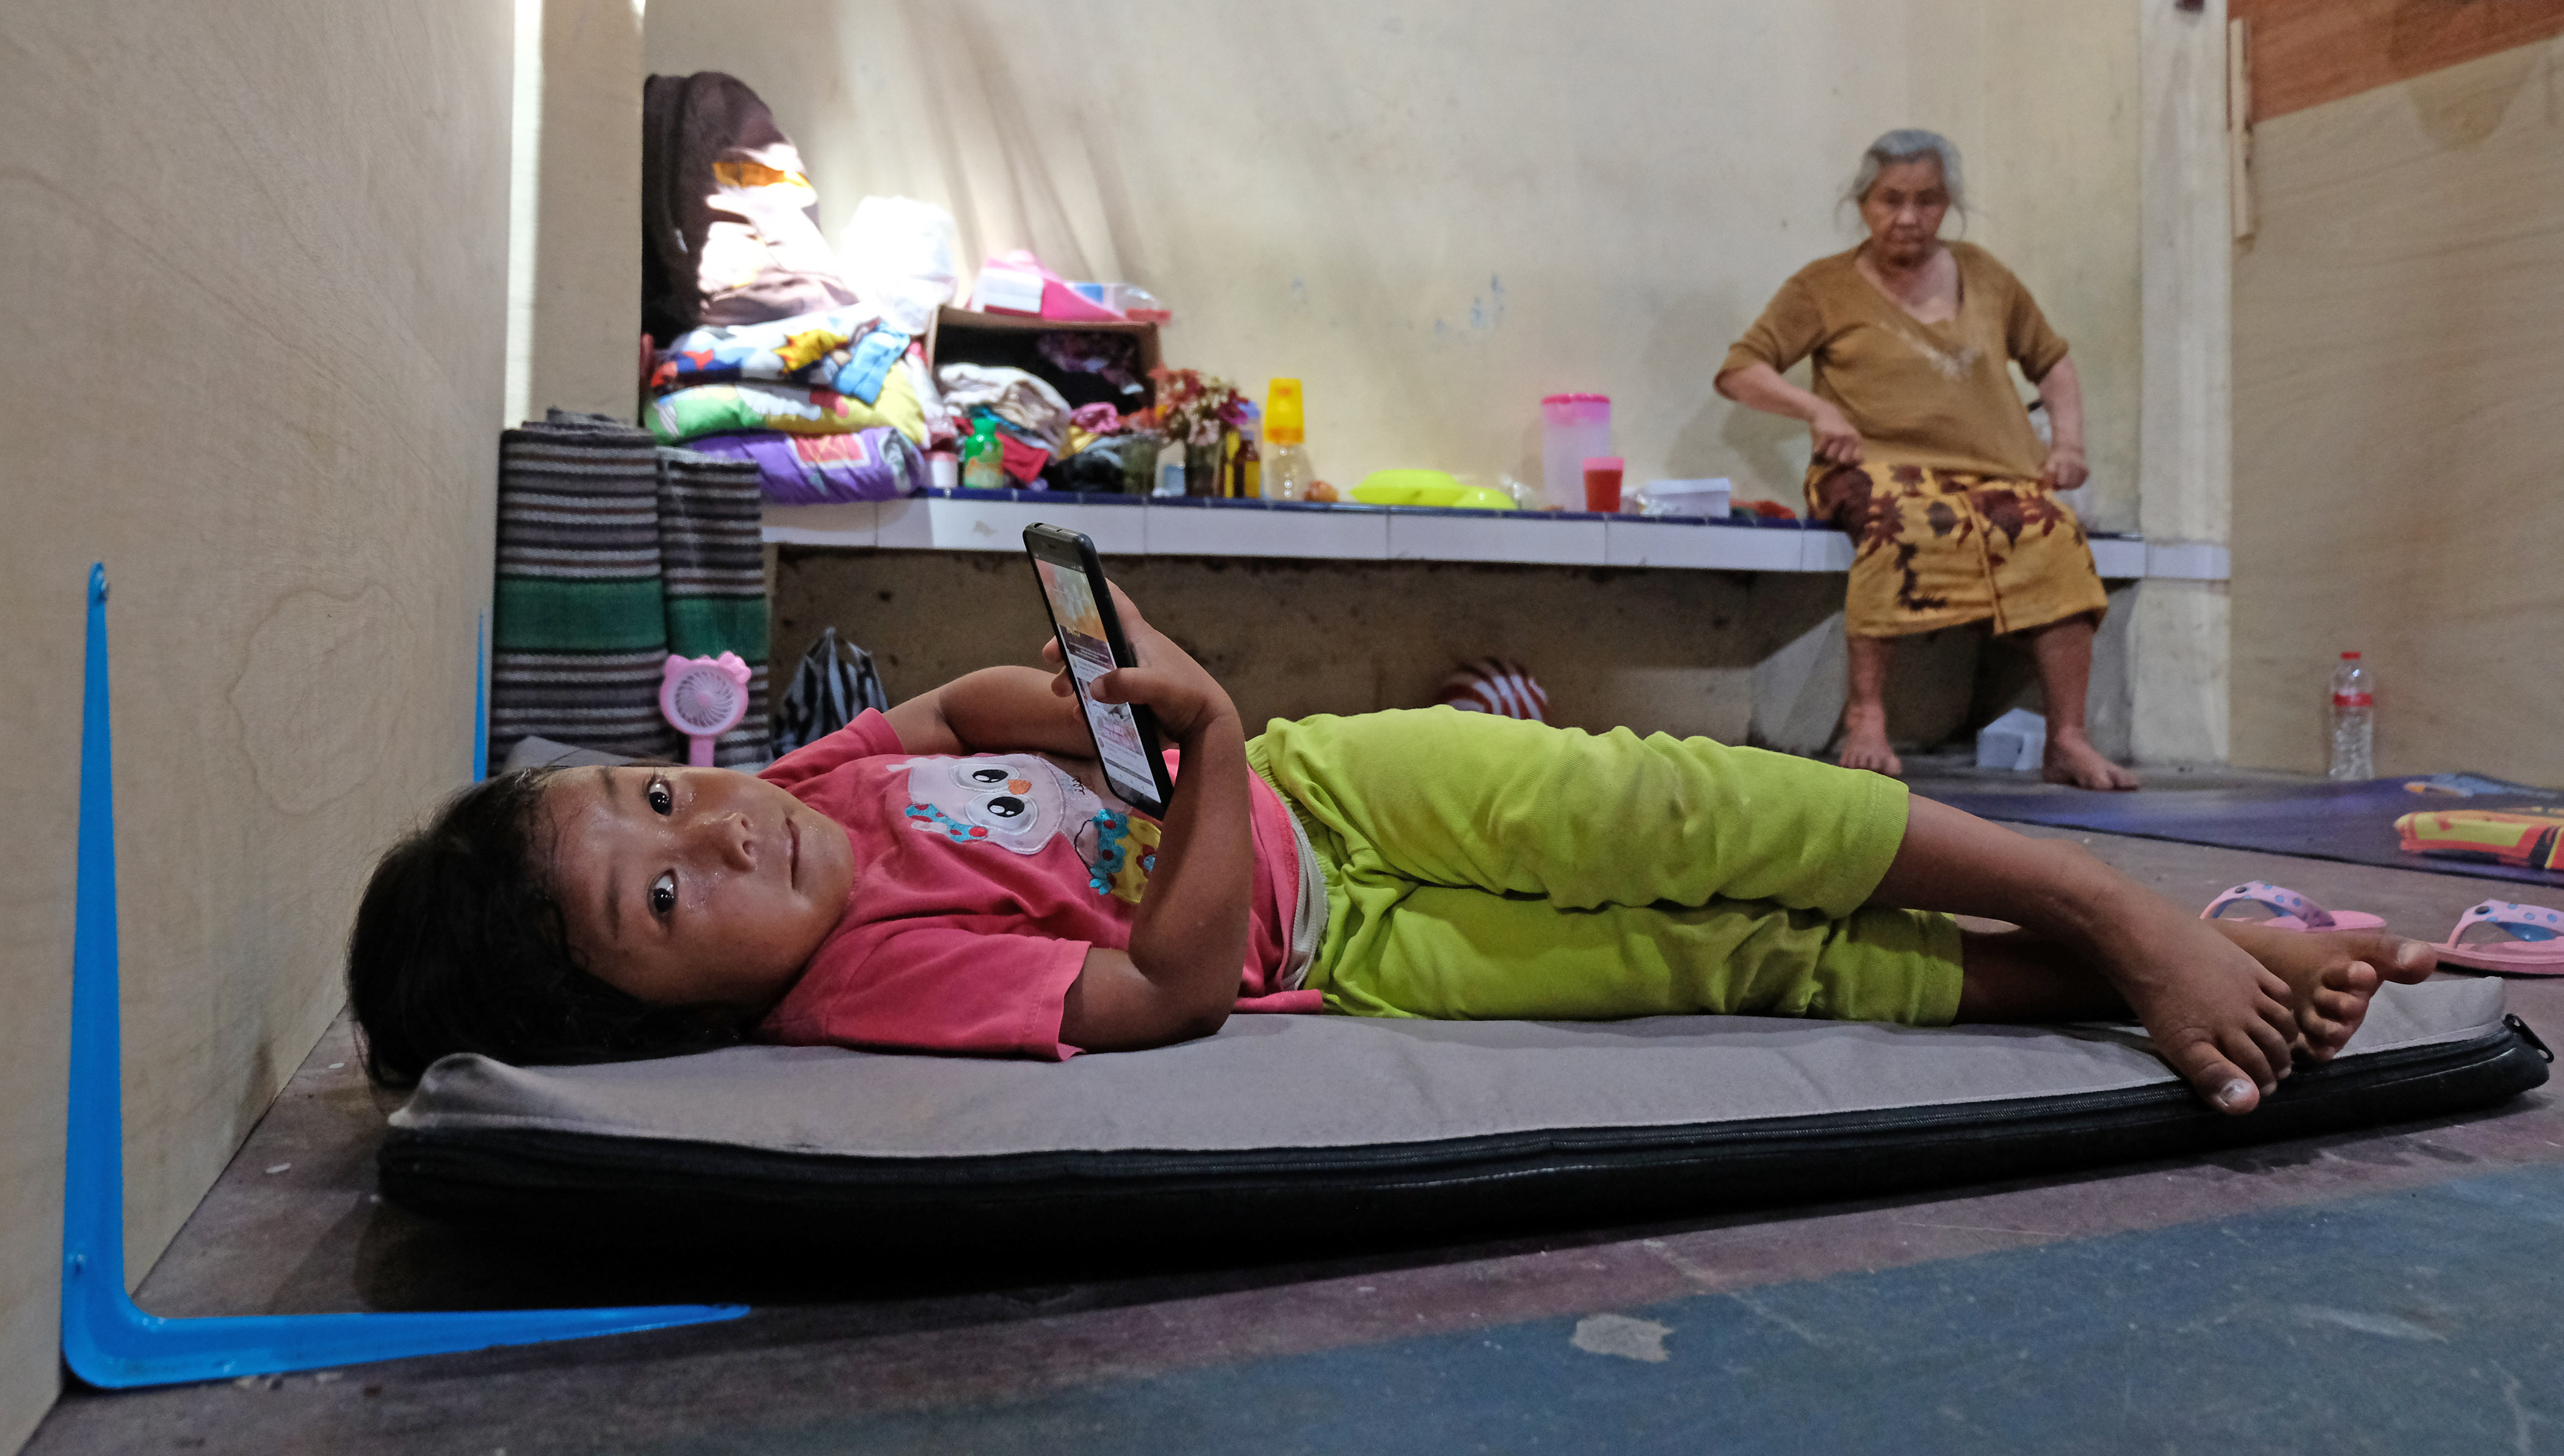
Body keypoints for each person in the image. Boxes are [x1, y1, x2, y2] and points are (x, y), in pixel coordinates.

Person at [349, 583, 2436, 1120]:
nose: (704, 828)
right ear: (658, 1019)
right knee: (1716, 961)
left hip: (1352, 786)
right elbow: (1159, 994)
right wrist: (1210, 749)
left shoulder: (805, 792)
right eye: (658, 899)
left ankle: (2096, 891)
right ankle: (2119, 975)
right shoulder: (864, 981)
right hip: (1358, 936)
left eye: (647, 797)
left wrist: (1085, 694)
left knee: (1672, 807)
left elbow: (965, 715)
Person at [1715, 129, 2135, 789]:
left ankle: (2069, 738)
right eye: (1890, 200)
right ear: (1863, 204)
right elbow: (1741, 370)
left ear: (1949, 205)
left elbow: (2052, 363)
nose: (1908, 217)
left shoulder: (1988, 275)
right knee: (1898, 526)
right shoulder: (1822, 286)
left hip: (1993, 473)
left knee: (2053, 534)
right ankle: (1868, 717)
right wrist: (1819, 412)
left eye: (1927, 200)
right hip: (1877, 470)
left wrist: (2070, 445)